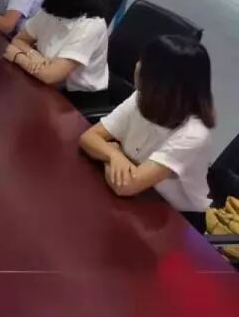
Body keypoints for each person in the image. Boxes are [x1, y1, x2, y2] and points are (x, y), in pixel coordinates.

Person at [79, 35, 215, 230]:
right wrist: (114, 155)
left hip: (174, 219)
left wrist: (112, 150)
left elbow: (125, 186)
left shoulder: (194, 134)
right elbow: (89, 137)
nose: (137, 66)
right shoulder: (141, 98)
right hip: (139, 196)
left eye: (144, 63)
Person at [3, 0, 108, 100]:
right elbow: (19, 40)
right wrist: (33, 55)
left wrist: (17, 56)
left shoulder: (91, 26)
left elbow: (50, 76)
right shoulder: (54, 9)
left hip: (77, 101)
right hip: (47, 87)